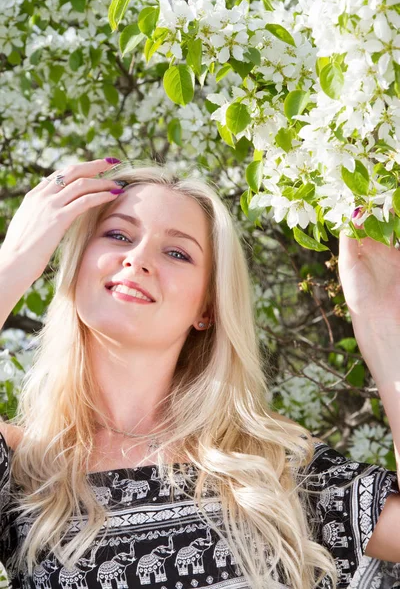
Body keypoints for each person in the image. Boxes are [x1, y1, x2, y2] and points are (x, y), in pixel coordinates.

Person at [0, 158, 399, 589]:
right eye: (118, 234)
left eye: (177, 252)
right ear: (76, 265)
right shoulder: (26, 469)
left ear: (207, 308)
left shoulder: (273, 466)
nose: (137, 260)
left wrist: (382, 327)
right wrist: (13, 261)